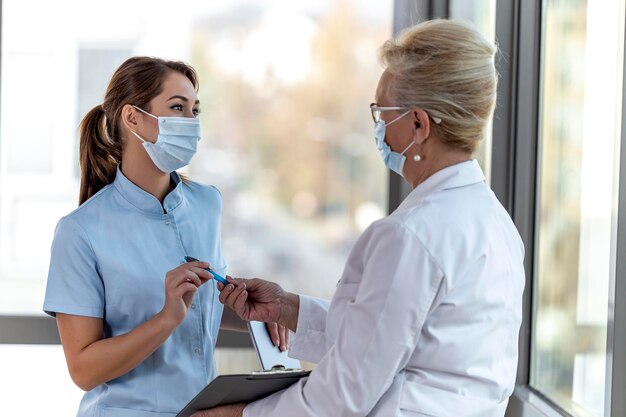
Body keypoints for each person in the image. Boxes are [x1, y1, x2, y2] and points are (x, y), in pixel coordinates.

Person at [193, 19, 525, 417]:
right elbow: (388, 339)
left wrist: (240, 415)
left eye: (381, 112)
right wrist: (286, 308)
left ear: (418, 124)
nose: (379, 126)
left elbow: (344, 393)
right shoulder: (494, 222)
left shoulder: (411, 235)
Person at [42, 56, 286, 417]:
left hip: (203, 411)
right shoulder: (80, 231)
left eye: (194, 110)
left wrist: (250, 311)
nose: (192, 123)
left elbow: (201, 308)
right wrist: (165, 318)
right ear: (132, 118)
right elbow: (83, 369)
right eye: (177, 108)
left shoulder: (207, 204)